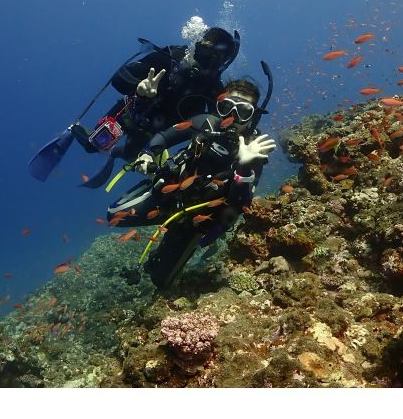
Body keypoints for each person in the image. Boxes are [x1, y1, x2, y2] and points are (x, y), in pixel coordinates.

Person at [107, 76, 276, 289]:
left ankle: (165, 251)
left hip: (196, 221)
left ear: (253, 117)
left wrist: (244, 165)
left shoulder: (255, 149)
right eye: (226, 107)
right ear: (218, 107)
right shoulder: (205, 122)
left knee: (162, 282)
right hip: (167, 195)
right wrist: (148, 153)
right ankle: (149, 189)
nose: (232, 117)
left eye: (243, 111)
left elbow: (240, 204)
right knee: (112, 216)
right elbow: (165, 136)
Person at [69, 23, 240, 189]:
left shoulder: (214, 90)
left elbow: (219, 125)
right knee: (92, 146)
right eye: (204, 53)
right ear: (196, 46)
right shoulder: (169, 59)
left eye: (214, 59)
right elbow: (119, 78)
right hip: (129, 115)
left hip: (158, 136)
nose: (206, 63)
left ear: (223, 64)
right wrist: (137, 87)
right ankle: (73, 130)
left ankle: (115, 153)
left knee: (131, 156)